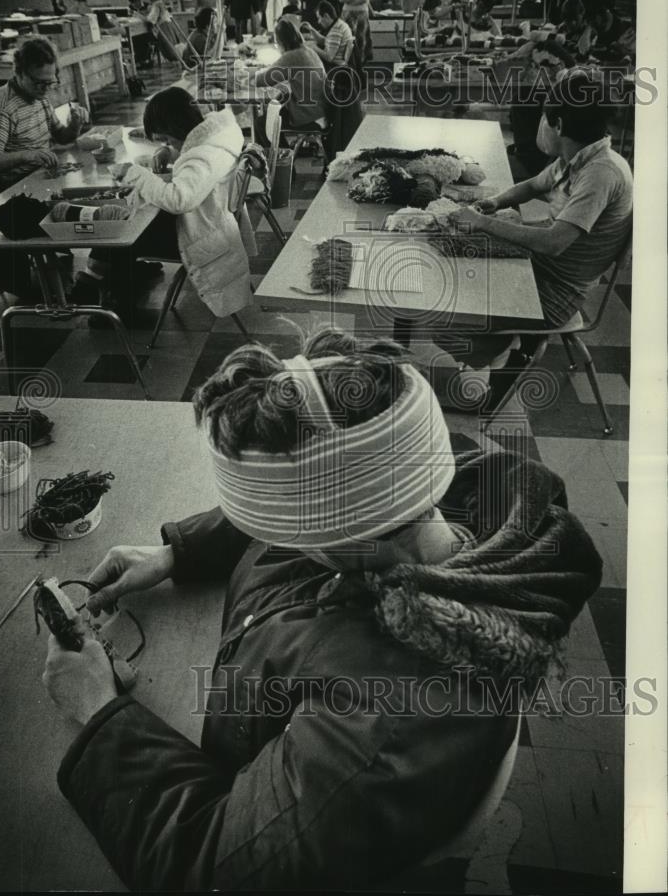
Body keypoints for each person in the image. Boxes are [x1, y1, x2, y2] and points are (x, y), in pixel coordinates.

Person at [42, 325, 603, 890]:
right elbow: (327, 483)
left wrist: (97, 711)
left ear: (331, 535)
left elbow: (209, 865)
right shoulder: (430, 482)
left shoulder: (395, 719)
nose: (263, 532)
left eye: (270, 522)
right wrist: (177, 552)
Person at [431, 71, 632, 408]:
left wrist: (482, 222)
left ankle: (509, 350)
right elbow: (533, 186)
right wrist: (497, 202)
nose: (540, 123)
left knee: (445, 314)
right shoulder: (580, 156)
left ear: (559, 124)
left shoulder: (601, 173)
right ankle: (506, 344)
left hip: (557, 291)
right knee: (454, 270)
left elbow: (553, 242)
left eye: (544, 117)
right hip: (540, 268)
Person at [71, 87, 255, 321]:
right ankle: (105, 276)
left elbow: (180, 200)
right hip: (212, 220)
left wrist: (134, 172)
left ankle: (112, 301)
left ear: (176, 128)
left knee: (121, 230)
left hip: (200, 234)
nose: (169, 144)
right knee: (131, 216)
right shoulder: (218, 134)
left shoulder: (203, 155)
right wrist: (166, 151)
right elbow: (191, 158)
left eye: (167, 139)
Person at [0, 36, 89, 184]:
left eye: (49, 82)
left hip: (44, 174)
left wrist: (75, 125)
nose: (45, 89)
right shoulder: (2, 106)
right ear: (19, 73)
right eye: (38, 82)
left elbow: (62, 137)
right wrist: (27, 155)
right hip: (19, 184)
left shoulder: (39, 96)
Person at [253, 16, 326, 132]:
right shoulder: (307, 50)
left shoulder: (292, 56)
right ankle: (282, 147)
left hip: (309, 115)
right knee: (275, 107)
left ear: (282, 42)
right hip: (322, 111)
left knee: (262, 124)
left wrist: (241, 76)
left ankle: (279, 149)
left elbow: (263, 80)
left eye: (277, 44)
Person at [301, 0, 354, 67]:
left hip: (334, 67)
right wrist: (311, 29)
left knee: (307, 61)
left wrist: (313, 47)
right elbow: (325, 41)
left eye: (319, 18)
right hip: (336, 64)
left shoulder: (336, 30)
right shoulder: (338, 24)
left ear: (326, 16)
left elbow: (329, 57)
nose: (319, 22)